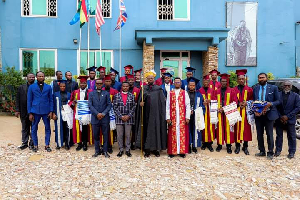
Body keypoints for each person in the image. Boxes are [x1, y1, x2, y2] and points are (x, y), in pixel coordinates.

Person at [135, 70, 167, 157]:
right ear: (146, 79)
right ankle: (147, 149)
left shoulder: (158, 89)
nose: (150, 79)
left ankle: (156, 149)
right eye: (149, 78)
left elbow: (162, 102)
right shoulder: (143, 89)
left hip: (156, 114)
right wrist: (140, 104)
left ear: (154, 79)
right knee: (146, 131)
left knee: (156, 130)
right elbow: (139, 101)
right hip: (146, 114)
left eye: (152, 78)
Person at [253, 73, 280, 160]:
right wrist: (255, 111)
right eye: (260, 78)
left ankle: (270, 152)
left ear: (266, 78)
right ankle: (262, 151)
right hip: (259, 115)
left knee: (269, 134)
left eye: (263, 77)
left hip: (269, 114)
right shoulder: (255, 88)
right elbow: (254, 101)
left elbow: (279, 101)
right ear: (258, 79)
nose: (261, 79)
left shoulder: (273, 88)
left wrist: (270, 104)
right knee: (259, 134)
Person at [27, 71, 53, 152]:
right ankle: (35, 145)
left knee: (48, 128)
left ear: (44, 77)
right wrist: (30, 112)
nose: (41, 77)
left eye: (42, 76)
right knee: (34, 129)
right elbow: (29, 100)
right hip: (35, 111)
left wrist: (51, 111)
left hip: (46, 111)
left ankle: (47, 145)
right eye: (39, 76)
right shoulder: (32, 87)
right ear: (36, 77)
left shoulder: (48, 87)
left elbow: (51, 100)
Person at [166, 77, 191, 158]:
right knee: (172, 133)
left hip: (182, 117)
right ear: (173, 83)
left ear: (180, 83)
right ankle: (172, 151)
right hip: (173, 117)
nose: (177, 83)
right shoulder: (170, 93)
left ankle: (182, 151)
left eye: (178, 82)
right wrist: (168, 117)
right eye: (175, 82)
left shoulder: (184, 93)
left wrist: (187, 117)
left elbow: (188, 106)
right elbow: (167, 106)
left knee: (182, 134)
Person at [275, 81, 300, 159]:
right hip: (279, 119)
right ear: (282, 86)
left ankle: (292, 152)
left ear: (291, 86)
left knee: (292, 136)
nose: (287, 87)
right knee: (279, 136)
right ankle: (278, 151)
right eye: (285, 85)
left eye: (288, 85)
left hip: (290, 119)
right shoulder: (278, 95)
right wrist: (281, 116)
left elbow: (297, 108)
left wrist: (287, 117)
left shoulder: (296, 96)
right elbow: (275, 107)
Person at [68, 75, 93, 151]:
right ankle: (79, 144)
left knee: (85, 128)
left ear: (86, 84)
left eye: (84, 83)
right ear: (79, 84)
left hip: (87, 113)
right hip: (78, 113)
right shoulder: (75, 92)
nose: (83, 85)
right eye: (81, 83)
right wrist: (73, 102)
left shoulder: (90, 92)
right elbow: (70, 102)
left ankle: (85, 143)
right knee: (78, 128)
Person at [89, 79, 111, 158]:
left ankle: (105, 151)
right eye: (97, 83)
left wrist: (103, 113)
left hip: (104, 118)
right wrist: (97, 113)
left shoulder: (106, 93)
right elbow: (90, 105)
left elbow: (109, 105)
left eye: (100, 84)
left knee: (105, 135)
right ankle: (97, 151)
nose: (99, 85)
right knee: (96, 135)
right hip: (95, 118)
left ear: (102, 84)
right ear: (95, 84)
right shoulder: (91, 94)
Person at [113, 82, 136, 157]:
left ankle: (127, 150)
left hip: (129, 118)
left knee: (128, 135)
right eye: (124, 86)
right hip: (119, 118)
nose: (125, 87)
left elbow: (133, 107)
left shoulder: (132, 96)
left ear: (129, 87)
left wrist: (129, 116)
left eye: (127, 86)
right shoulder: (116, 95)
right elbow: (115, 107)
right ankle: (121, 149)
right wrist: (121, 116)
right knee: (119, 135)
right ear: (121, 87)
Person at [232, 69, 253, 155]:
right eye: (239, 79)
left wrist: (247, 103)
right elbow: (231, 100)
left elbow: (252, 100)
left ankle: (245, 146)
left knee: (246, 129)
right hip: (237, 112)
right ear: (237, 80)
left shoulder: (249, 89)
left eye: (242, 79)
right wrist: (238, 104)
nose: (241, 80)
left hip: (246, 113)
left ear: (245, 79)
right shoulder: (233, 90)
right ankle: (237, 146)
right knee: (237, 128)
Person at [215, 73, 236, 154]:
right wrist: (218, 108)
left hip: (228, 113)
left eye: (225, 81)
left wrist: (225, 109)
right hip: (219, 113)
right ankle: (219, 144)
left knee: (228, 128)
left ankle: (228, 145)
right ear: (220, 82)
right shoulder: (216, 91)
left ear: (227, 82)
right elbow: (214, 101)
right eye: (222, 81)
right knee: (219, 128)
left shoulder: (231, 90)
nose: (224, 82)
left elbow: (234, 102)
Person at [15, 73, 35, 150]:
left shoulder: (36, 87)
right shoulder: (21, 87)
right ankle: (24, 143)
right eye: (30, 77)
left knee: (33, 127)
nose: (32, 78)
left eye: (33, 77)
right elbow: (17, 99)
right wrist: (17, 110)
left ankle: (32, 143)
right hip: (23, 111)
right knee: (24, 127)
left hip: (33, 111)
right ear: (27, 78)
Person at [187, 78, 205, 153]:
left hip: (196, 115)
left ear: (195, 86)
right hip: (187, 116)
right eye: (190, 85)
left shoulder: (199, 95)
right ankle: (188, 146)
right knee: (188, 130)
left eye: (193, 85)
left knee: (195, 130)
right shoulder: (185, 93)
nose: (192, 86)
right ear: (188, 85)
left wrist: (199, 113)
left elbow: (202, 106)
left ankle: (194, 146)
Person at [52, 80, 72, 150]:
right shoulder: (55, 94)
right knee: (58, 128)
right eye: (61, 86)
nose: (62, 87)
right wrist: (53, 113)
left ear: (65, 87)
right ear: (59, 87)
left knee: (67, 128)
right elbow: (53, 104)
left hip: (67, 113)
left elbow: (71, 103)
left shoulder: (69, 94)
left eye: (64, 86)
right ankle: (59, 143)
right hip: (58, 112)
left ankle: (67, 143)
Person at [102, 75, 119, 153]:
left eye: (109, 81)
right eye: (106, 81)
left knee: (111, 130)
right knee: (103, 129)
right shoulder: (101, 90)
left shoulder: (114, 91)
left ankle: (110, 145)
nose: (108, 83)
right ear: (104, 82)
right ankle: (103, 144)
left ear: (111, 82)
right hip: (103, 113)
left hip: (112, 113)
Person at [199, 75, 215, 152]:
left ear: (209, 82)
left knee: (210, 127)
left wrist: (210, 101)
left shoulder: (212, 90)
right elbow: (197, 101)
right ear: (203, 82)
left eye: (207, 81)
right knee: (203, 127)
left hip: (210, 112)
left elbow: (215, 100)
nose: (206, 83)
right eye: (204, 81)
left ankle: (209, 143)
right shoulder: (199, 90)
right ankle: (204, 143)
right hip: (202, 112)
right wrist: (203, 102)